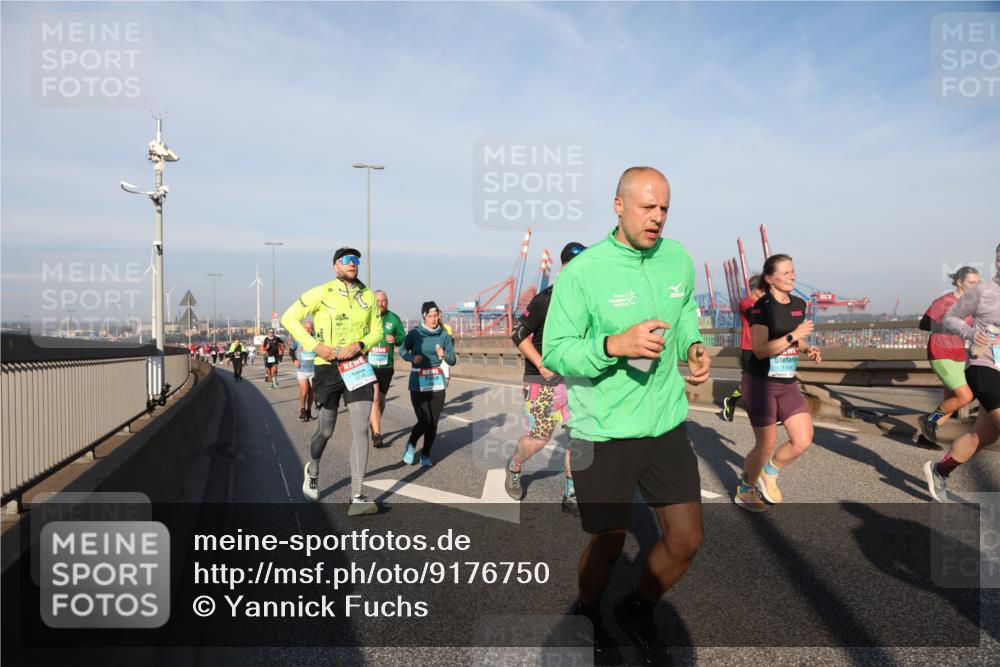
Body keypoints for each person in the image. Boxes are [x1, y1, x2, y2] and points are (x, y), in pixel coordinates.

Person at [542, 167, 711, 664]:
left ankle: (638, 607)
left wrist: (695, 345)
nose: (657, 218)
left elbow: (684, 315)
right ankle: (588, 611)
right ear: (618, 205)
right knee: (610, 542)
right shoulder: (584, 272)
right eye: (647, 208)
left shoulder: (677, 259)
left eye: (664, 209)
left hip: (665, 425)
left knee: (686, 539)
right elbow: (555, 351)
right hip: (604, 430)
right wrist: (613, 345)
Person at [280, 247, 383, 516]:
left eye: (357, 260)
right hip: (327, 368)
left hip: (357, 366)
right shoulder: (321, 292)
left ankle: (358, 495)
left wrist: (360, 343)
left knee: (361, 428)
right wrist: (314, 346)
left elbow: (378, 331)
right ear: (335, 267)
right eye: (347, 260)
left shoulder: (368, 296)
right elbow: (288, 319)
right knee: (326, 431)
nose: (353, 264)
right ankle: (313, 468)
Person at [735, 254, 822, 512]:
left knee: (803, 439)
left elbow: (793, 339)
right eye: (784, 273)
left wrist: (806, 348)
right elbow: (761, 350)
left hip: (786, 383)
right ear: (770, 278)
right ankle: (745, 490)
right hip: (760, 383)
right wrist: (795, 335)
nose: (791, 276)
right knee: (765, 444)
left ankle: (769, 472)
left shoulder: (799, 303)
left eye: (793, 271)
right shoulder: (761, 308)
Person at [505, 241, 586, 517]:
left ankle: (571, 493)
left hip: (575, 381)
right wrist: (541, 364)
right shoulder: (547, 298)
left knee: (579, 438)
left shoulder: (587, 301)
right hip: (542, 382)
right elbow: (518, 334)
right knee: (539, 440)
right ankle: (515, 465)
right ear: (564, 267)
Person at [925, 243, 1000, 502]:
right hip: (984, 366)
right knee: (969, 402)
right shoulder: (982, 291)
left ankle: (940, 469)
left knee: (985, 435)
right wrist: (971, 333)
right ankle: (932, 424)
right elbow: (949, 318)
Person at [918, 266, 981, 443]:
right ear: (959, 282)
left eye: (978, 282)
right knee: (965, 397)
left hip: (959, 353)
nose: (975, 286)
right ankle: (928, 420)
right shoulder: (945, 301)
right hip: (941, 352)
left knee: (951, 400)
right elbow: (924, 324)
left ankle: (926, 437)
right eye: (971, 282)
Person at [398, 301, 456, 467]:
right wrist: (412, 358)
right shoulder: (415, 333)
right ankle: (411, 443)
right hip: (418, 381)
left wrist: (443, 354)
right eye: (430, 316)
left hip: (437, 382)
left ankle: (425, 453)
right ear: (424, 316)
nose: (433, 319)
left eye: (435, 315)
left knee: (433, 422)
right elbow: (402, 350)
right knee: (425, 420)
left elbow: (453, 360)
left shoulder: (444, 335)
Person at [721, 275, 764, 422]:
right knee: (749, 383)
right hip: (749, 348)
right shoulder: (746, 302)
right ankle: (731, 402)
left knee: (766, 380)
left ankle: (769, 411)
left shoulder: (765, 303)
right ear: (756, 289)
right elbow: (754, 315)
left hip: (764, 347)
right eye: (764, 289)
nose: (766, 292)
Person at [368, 290, 406, 448]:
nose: (381, 303)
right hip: (369, 365)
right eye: (378, 301)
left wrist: (395, 339)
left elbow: (404, 338)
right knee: (374, 399)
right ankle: (377, 434)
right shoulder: (367, 318)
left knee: (381, 400)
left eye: (384, 301)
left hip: (386, 366)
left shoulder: (393, 318)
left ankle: (374, 423)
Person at [290, 320, 317, 421]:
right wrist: (294, 360)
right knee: (304, 391)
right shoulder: (298, 339)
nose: (309, 330)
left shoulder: (316, 339)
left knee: (312, 392)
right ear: (303, 328)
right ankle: (302, 409)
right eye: (306, 328)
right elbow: (292, 350)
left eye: (311, 328)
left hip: (313, 369)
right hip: (302, 369)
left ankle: (309, 411)